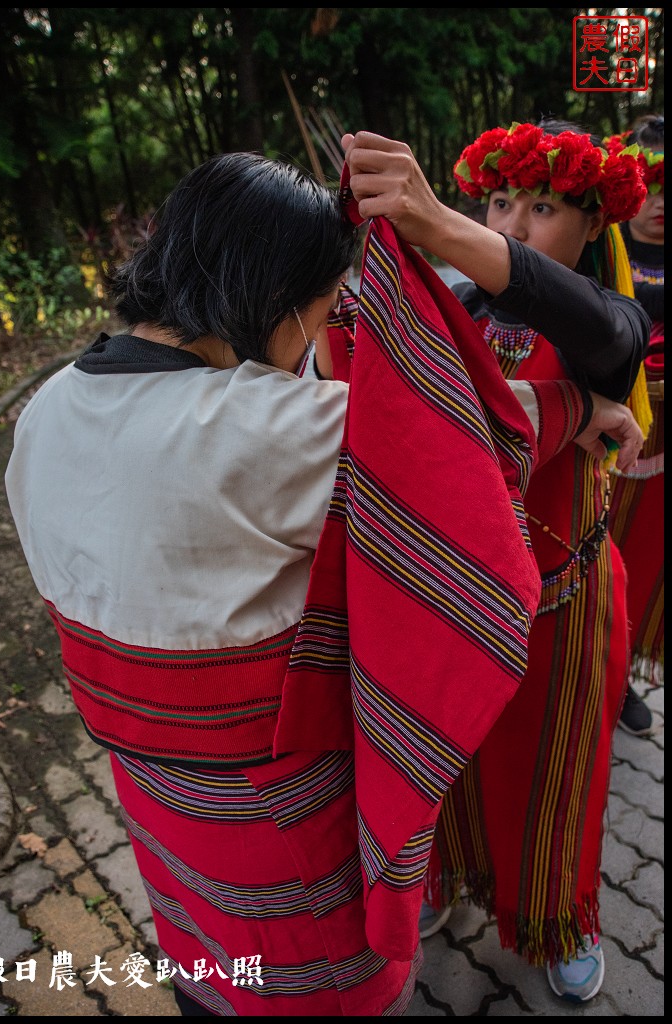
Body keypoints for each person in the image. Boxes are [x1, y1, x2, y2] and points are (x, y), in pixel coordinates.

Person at [4, 146, 644, 1016]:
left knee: (210, 964)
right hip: (277, 820)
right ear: (277, 297)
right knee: (314, 985)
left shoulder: (44, 411)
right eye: (323, 307)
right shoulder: (270, 427)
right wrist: (584, 409)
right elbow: (452, 443)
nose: (322, 331)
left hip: (153, 797)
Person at [342, 122, 651, 1004]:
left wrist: (440, 225)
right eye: (500, 201)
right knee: (453, 766)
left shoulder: (609, 329)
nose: (513, 225)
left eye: (544, 207)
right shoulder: (451, 312)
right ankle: (450, 879)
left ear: (594, 226)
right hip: (457, 609)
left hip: (563, 608)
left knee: (556, 779)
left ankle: (558, 916)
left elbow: (591, 320)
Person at [605, 115, 664, 736]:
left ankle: (625, 679)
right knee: (600, 562)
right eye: (652, 185)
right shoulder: (599, 247)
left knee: (646, 567)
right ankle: (593, 677)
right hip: (604, 433)